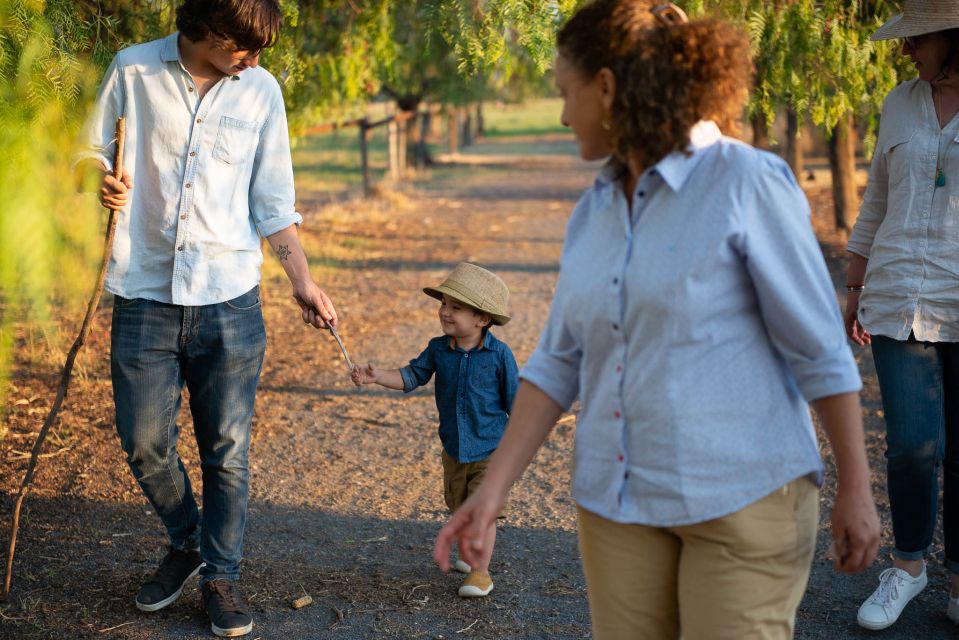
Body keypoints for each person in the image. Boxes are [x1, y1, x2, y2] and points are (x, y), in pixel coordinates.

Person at [433, 1, 880, 638]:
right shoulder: (593, 211)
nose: (563, 115)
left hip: (743, 502)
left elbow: (819, 351)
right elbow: (557, 363)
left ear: (606, 88)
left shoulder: (746, 182)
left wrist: (855, 486)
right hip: (617, 505)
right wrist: (491, 491)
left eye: (565, 92)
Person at [74, 0, 337, 636]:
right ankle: (188, 539)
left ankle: (221, 575)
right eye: (244, 47)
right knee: (143, 441)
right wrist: (99, 179)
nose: (254, 60)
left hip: (229, 299)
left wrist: (302, 280)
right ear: (209, 30)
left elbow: (273, 201)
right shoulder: (133, 69)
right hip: (144, 291)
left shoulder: (261, 91)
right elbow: (88, 153)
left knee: (227, 451)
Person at [845, 0, 959, 631]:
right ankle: (908, 568)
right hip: (897, 297)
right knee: (913, 446)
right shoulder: (899, 102)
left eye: (919, 37)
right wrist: (855, 282)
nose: (906, 48)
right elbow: (878, 196)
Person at [351, 263, 518, 598]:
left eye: (456, 307)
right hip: (455, 448)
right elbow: (411, 376)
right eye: (443, 303)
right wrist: (378, 376)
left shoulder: (499, 355)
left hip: (492, 450)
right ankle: (469, 556)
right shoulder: (439, 349)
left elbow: (516, 400)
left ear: (482, 319)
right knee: (460, 507)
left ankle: (481, 573)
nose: (445, 311)